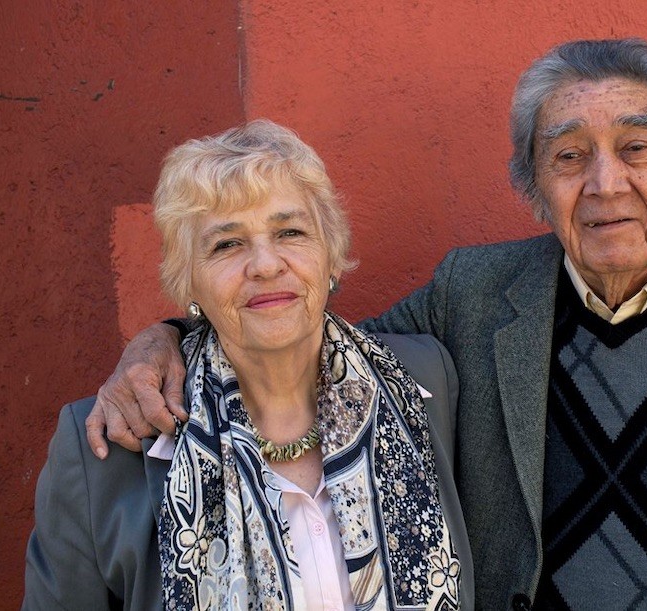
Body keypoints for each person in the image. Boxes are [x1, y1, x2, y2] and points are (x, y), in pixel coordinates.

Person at [85, 39, 647, 610]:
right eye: (569, 156)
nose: (605, 183)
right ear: (532, 189)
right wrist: (170, 336)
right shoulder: (474, 293)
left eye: (636, 149)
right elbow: (308, 347)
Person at [24, 120, 472, 610]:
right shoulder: (104, 451)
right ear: (188, 281)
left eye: (290, 231)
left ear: (333, 257)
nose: (264, 264)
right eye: (227, 244)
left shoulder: (426, 382)